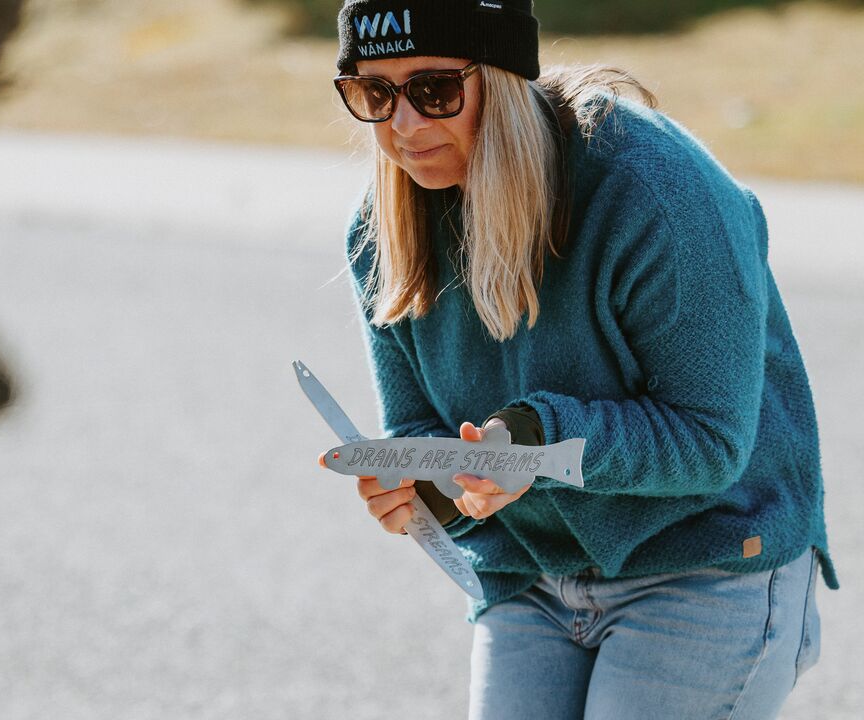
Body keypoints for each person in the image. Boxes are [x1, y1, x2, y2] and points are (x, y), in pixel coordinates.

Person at [330, 1, 838, 718]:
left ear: (502, 79)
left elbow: (712, 442)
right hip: (533, 575)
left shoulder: (653, 189)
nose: (403, 127)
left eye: (434, 89)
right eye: (373, 93)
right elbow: (430, 444)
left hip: (709, 561)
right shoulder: (379, 235)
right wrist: (434, 490)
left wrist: (533, 445)